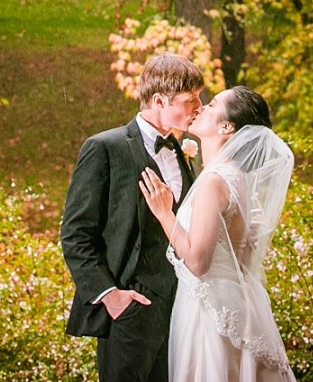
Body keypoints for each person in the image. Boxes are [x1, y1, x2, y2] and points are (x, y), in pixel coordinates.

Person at [62, 53, 206, 382]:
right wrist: (110, 296)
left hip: (181, 312)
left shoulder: (183, 152)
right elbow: (76, 234)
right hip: (130, 312)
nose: (199, 105)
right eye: (190, 99)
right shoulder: (104, 148)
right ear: (159, 99)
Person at [138, 86, 297, 382]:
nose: (200, 108)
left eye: (210, 105)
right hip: (234, 304)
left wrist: (164, 213)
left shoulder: (213, 181)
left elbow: (198, 263)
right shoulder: (235, 177)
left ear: (226, 126)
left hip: (209, 313)